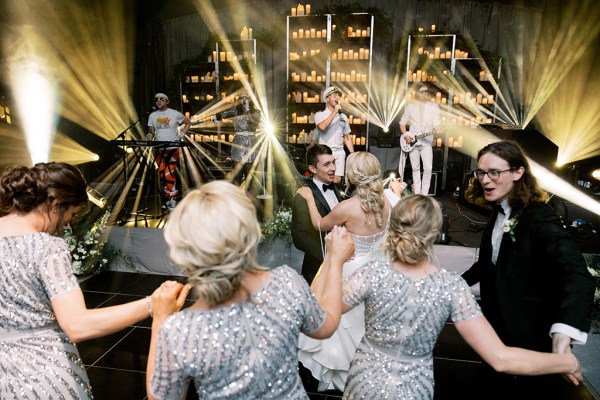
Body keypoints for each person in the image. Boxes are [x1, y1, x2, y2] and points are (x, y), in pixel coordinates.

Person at [339, 194, 584, 400]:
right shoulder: (451, 287)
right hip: (412, 390)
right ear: (436, 233)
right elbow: (500, 358)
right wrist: (565, 363)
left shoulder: (371, 272)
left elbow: (323, 321)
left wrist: (333, 260)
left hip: (365, 382)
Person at [146, 180, 355, 399]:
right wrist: (335, 259)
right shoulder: (286, 283)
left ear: (184, 253)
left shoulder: (180, 329)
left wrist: (160, 320)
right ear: (250, 232)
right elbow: (326, 325)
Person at [0, 162, 187, 399]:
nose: (67, 223)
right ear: (56, 205)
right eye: (72, 214)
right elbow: (77, 325)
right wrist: (152, 303)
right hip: (42, 375)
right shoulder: (46, 247)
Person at [460, 140, 595, 399]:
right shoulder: (498, 213)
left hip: (531, 338)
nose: (485, 180)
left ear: (518, 172)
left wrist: (562, 334)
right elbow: (488, 265)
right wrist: (448, 284)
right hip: (497, 334)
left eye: (494, 172)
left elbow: (577, 274)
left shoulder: (538, 216)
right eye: (481, 172)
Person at [296, 151, 406, 391]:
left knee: (340, 320)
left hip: (351, 270)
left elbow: (319, 225)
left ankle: (342, 369)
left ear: (354, 176)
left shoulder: (347, 207)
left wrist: (309, 199)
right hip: (377, 269)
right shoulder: (387, 200)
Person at [292, 144, 343, 284]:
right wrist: (328, 254)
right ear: (313, 169)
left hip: (340, 267)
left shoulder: (336, 188)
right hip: (316, 269)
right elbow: (299, 237)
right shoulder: (304, 195)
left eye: (333, 162)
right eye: (327, 164)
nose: (333, 168)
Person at [146, 92, 191, 210]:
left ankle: (172, 199)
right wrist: (148, 136)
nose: (159, 101)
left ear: (167, 101)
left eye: (161, 99)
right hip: (159, 148)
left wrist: (181, 136)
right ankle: (168, 199)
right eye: (156, 100)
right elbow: (151, 131)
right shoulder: (152, 116)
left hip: (172, 148)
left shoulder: (174, 114)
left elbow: (188, 123)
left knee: (169, 173)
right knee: (163, 174)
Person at [399, 85, 442, 195]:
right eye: (422, 92)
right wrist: (405, 135)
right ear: (418, 93)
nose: (424, 94)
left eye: (427, 92)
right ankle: (417, 194)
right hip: (413, 141)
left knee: (428, 168)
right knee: (415, 168)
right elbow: (402, 123)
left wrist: (438, 128)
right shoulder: (411, 106)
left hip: (427, 141)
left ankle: (424, 194)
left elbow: (436, 122)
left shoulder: (434, 106)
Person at [212, 94, 262, 185]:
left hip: (251, 141)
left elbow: (253, 121)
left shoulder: (256, 112)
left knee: (249, 169)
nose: (244, 101)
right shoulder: (235, 111)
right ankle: (237, 192)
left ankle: (249, 195)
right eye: (242, 99)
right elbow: (225, 113)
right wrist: (217, 116)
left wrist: (248, 110)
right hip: (239, 141)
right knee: (237, 169)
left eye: (246, 99)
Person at [312, 86, 355, 185]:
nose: (337, 98)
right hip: (325, 152)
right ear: (327, 99)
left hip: (339, 152)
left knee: (337, 180)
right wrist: (335, 112)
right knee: (325, 178)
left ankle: (335, 199)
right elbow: (322, 127)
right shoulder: (320, 115)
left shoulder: (343, 117)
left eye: (338, 96)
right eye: (334, 96)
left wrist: (352, 154)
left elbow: (347, 137)